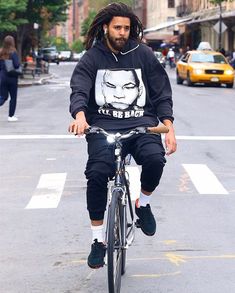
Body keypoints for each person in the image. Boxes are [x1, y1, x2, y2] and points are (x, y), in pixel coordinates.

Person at [68, 2, 177, 269]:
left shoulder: (144, 55)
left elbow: (162, 92)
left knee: (155, 160)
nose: (122, 32)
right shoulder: (92, 58)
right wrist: (80, 116)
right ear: (106, 27)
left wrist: (169, 126)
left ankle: (143, 204)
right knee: (96, 174)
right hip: (102, 127)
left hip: (142, 125)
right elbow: (79, 88)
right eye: (117, 27)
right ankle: (98, 241)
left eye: (126, 28)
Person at [0, 35, 20, 121]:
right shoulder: (13, 53)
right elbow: (16, 65)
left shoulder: (1, 52)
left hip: (2, 77)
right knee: (13, 97)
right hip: (12, 77)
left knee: (3, 97)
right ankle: (11, 116)